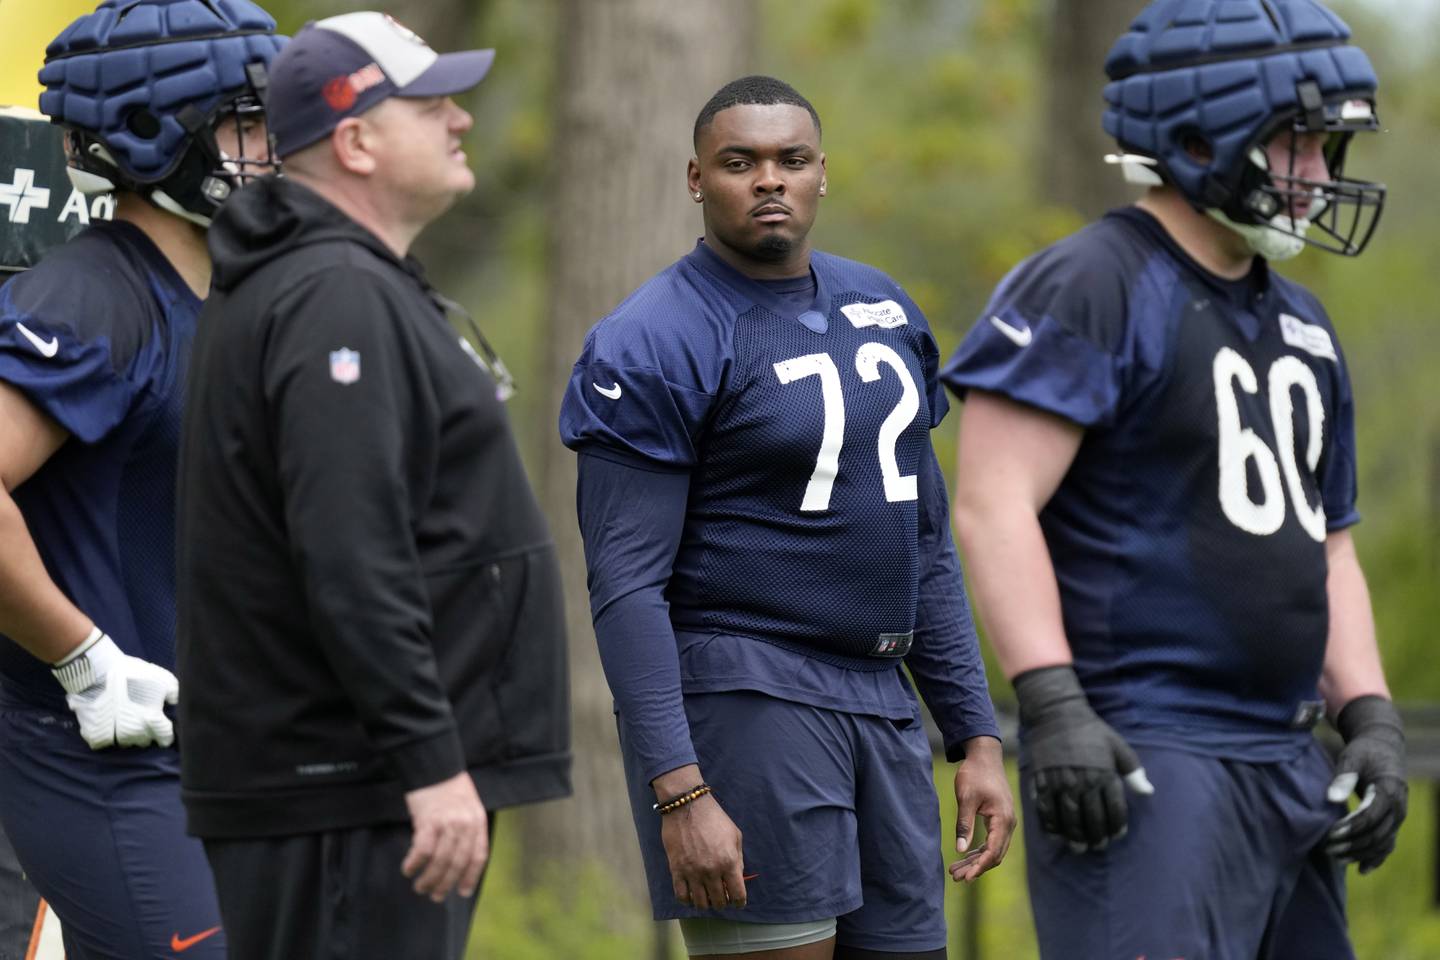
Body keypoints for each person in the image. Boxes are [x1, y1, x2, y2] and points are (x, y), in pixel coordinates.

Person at [942, 2, 1406, 957]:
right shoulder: (1091, 284)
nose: (1318, 176)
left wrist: (1371, 717)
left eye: (1327, 148)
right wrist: (1055, 703)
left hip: (1287, 753)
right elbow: (992, 505)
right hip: (1149, 749)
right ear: (1200, 138)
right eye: (1295, 144)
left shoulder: (1306, 326)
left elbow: (1329, 544)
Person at [559, 75, 1013, 960]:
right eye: (741, 162)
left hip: (882, 703)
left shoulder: (882, 308)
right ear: (696, 179)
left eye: (790, 159)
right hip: (749, 696)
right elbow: (625, 586)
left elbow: (922, 544)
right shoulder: (653, 336)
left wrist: (977, 734)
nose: (769, 179)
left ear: (822, 175)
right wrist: (680, 791)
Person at [174, 12, 571, 960]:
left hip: (353, 783)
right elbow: (351, 550)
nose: (461, 121)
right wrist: (429, 764)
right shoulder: (330, 295)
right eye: (430, 105)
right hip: (348, 786)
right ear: (354, 141)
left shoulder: (336, 281)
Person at [0, 1, 283, 957]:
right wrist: (81, 657)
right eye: (249, 125)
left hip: (195, 755)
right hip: (92, 756)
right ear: (154, 134)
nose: (274, 152)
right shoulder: (90, 297)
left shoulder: (218, 294)